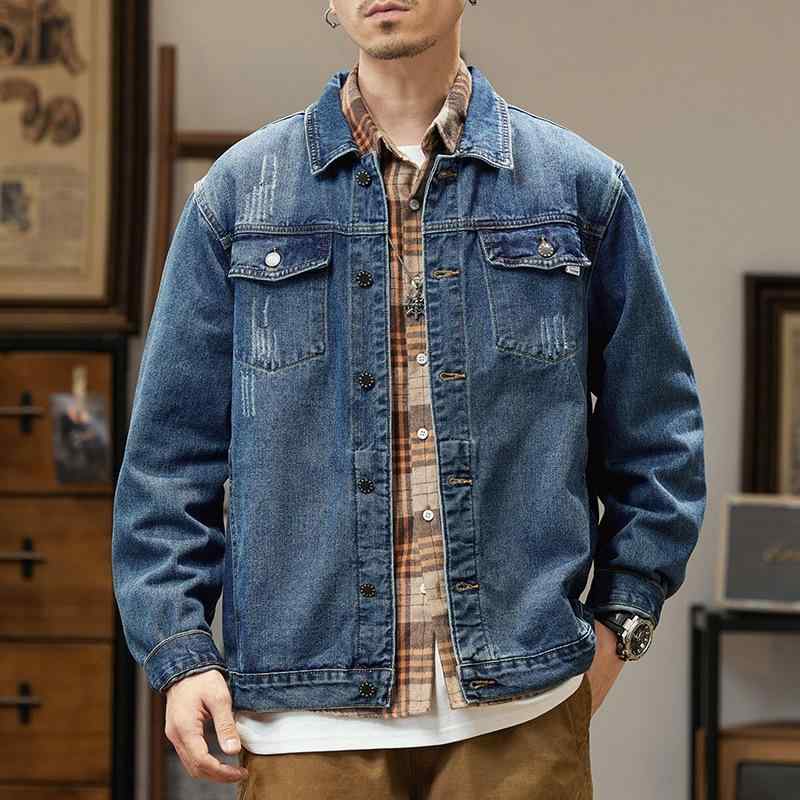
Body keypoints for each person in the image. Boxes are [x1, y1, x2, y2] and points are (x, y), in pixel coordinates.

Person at [111, 2, 707, 798]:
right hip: (305, 723)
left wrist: (620, 622)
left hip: (523, 715)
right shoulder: (240, 196)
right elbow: (167, 461)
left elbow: (658, 433)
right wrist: (180, 652)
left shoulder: (579, 188)